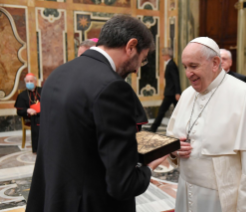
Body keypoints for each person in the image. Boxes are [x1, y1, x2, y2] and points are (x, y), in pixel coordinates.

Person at [26, 15, 167, 212]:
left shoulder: (58, 74)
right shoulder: (112, 87)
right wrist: (148, 168)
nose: (136, 69)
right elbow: (122, 184)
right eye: (141, 61)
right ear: (131, 46)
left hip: (55, 199)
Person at [167, 37, 246, 212]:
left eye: (193, 66)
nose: (188, 73)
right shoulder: (187, 95)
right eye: (185, 67)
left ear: (215, 63)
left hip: (222, 200)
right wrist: (174, 150)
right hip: (185, 191)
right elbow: (171, 137)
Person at [149, 47, 181, 132]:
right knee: (177, 112)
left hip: (171, 94)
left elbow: (176, 80)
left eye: (163, 55)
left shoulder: (171, 65)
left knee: (162, 111)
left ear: (166, 55)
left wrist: (177, 92)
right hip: (171, 93)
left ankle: (153, 129)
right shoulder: (170, 64)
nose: (162, 57)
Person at [14, 73, 42, 153]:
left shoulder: (43, 90)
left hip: (44, 115)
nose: (29, 83)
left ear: (35, 82)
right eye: (27, 81)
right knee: (38, 121)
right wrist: (27, 110)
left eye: (31, 81)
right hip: (33, 117)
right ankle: (38, 149)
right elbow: (19, 111)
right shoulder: (22, 95)